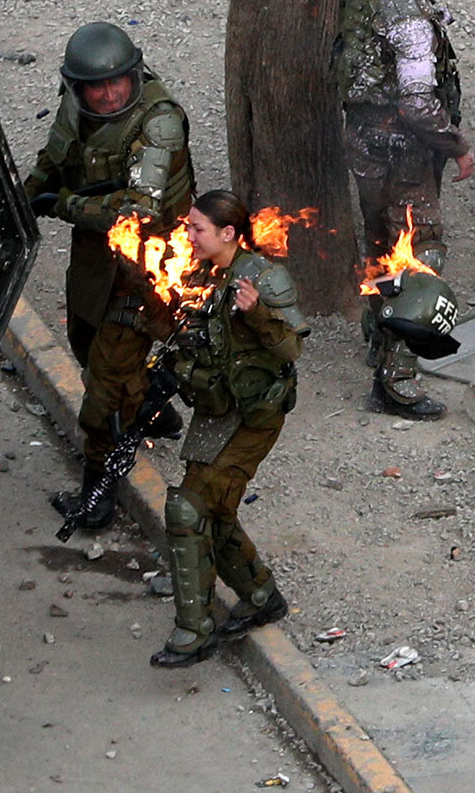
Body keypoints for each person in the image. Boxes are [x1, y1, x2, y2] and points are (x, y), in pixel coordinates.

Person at [23, 21, 195, 531]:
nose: (106, 93)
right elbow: (56, 159)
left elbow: (138, 212)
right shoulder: (76, 105)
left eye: (115, 82)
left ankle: (97, 495)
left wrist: (66, 204)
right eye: (94, 86)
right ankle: (149, 408)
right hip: (97, 254)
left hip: (148, 265)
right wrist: (27, 198)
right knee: (83, 336)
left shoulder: (157, 124)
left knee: (102, 386)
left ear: (133, 73)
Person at [151, 190, 309, 667]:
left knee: (187, 507)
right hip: (217, 411)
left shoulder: (264, 277)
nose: (189, 235)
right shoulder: (199, 271)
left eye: (198, 228)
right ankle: (261, 596)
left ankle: (194, 632)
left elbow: (290, 352)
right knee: (213, 511)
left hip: (256, 415)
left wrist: (257, 313)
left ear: (228, 234)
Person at [337, 0, 473, 419]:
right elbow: (417, 101)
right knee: (420, 255)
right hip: (404, 153)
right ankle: (397, 377)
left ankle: (378, 334)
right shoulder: (410, 20)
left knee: (380, 243)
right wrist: (455, 144)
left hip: (365, 143)